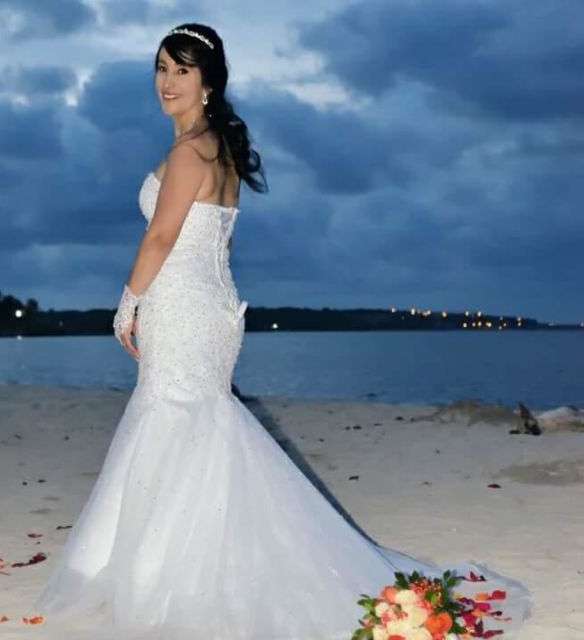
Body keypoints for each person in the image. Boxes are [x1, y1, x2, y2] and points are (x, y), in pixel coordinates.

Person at [28, 23, 532, 640]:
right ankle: (177, 563)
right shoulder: (219, 151)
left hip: (184, 306)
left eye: (182, 70)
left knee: (174, 420)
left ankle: (165, 573)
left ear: (209, 83)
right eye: (161, 67)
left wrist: (127, 303)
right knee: (194, 424)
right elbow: (218, 242)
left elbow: (160, 236)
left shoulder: (190, 153)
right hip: (210, 306)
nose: (167, 81)